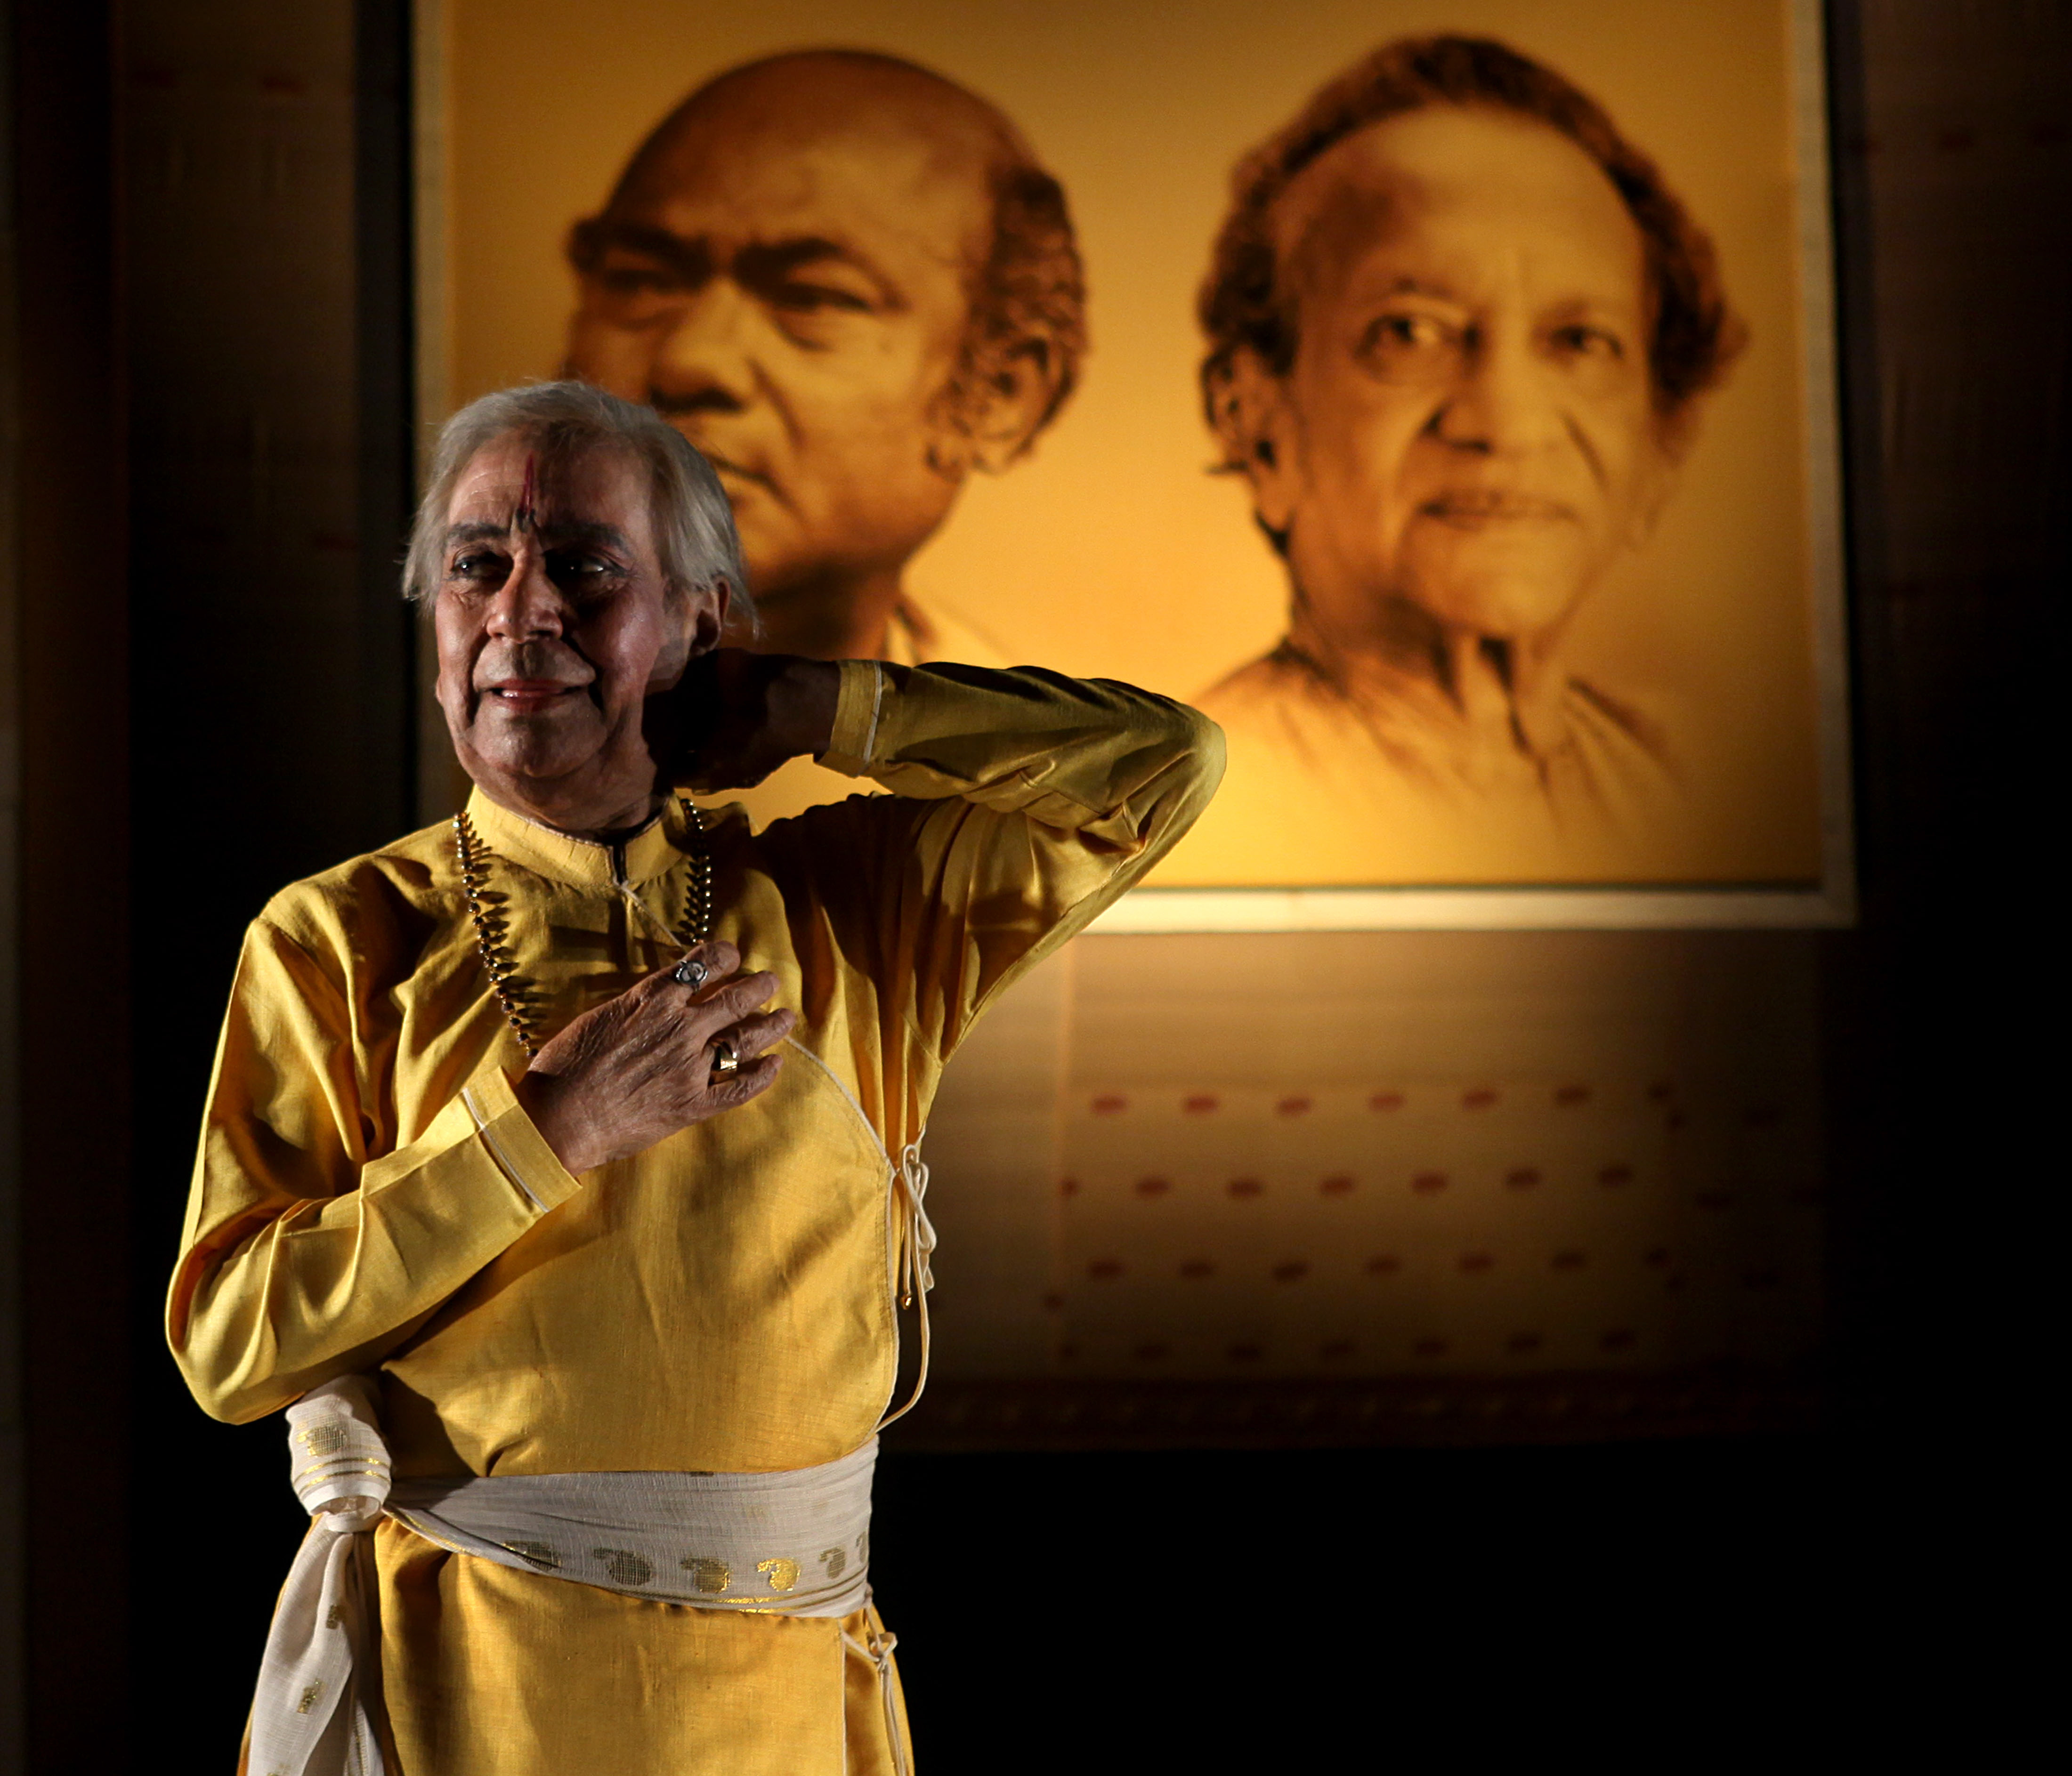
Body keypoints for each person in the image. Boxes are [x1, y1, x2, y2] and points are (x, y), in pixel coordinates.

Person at [167, 382, 1219, 1773]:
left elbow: (1166, 767)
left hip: (783, 1712)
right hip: (476, 1703)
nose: (519, 610)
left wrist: (824, 708)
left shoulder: (856, 909)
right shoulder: (336, 940)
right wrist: (555, 1126)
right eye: (478, 563)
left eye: (586, 568)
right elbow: (233, 1347)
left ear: (701, 623)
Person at [1157, 34, 1744, 886]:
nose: (1506, 423)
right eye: (1410, 333)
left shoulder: (1691, 781)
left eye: (1581, 342)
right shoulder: (1197, 815)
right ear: (1258, 428)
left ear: (1661, 453)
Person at [561, 49, 1087, 825]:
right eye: (643, 280)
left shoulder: (1030, 772)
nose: (689, 360)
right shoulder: (440, 700)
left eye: (813, 298)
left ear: (1003, 394)